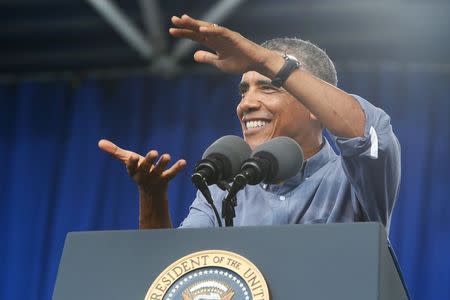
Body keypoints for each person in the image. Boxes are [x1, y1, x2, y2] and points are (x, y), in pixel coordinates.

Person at [98, 15, 400, 231]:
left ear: (313, 106)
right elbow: (178, 274)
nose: (246, 104)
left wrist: (263, 58)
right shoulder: (225, 190)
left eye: (268, 87)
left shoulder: (354, 178)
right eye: (244, 90)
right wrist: (152, 198)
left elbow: (369, 133)